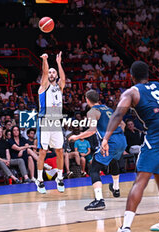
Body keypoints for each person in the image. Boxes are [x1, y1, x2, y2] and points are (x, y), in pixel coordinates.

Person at [101, 61, 159, 232]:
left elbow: (118, 114)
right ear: (148, 75)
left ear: (131, 76)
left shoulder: (131, 92)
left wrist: (106, 138)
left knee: (140, 179)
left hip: (158, 133)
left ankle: (125, 227)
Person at [69, 90, 127, 211]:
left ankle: (99, 200)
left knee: (94, 168)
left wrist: (77, 137)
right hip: (122, 139)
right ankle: (115, 188)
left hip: (110, 141)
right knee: (112, 161)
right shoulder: (108, 109)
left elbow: (91, 130)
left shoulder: (92, 111)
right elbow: (123, 124)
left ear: (87, 100)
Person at [35, 52, 66, 194]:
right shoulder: (44, 86)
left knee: (60, 151)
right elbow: (45, 72)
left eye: (54, 72)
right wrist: (45, 60)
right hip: (45, 122)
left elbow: (63, 79)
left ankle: (59, 177)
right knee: (43, 152)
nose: (52, 73)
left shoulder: (59, 87)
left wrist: (59, 63)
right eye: (51, 72)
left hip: (56, 123)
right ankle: (40, 180)